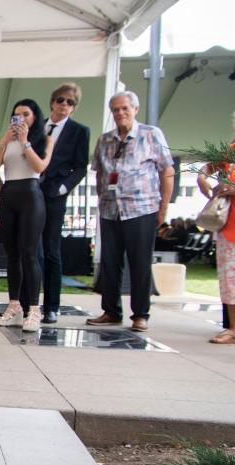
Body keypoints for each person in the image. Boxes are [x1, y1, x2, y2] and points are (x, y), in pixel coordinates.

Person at [88, 90, 174, 333]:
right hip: (110, 209)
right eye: (115, 109)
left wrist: (163, 207)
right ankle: (111, 311)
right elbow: (100, 173)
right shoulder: (104, 140)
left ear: (135, 109)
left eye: (125, 108)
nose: (120, 113)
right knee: (110, 262)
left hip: (141, 208)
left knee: (139, 262)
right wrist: (102, 196)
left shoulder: (150, 134)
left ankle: (140, 314)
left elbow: (167, 171)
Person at [0, 99, 55, 332]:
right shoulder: (8, 141)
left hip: (31, 194)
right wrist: (4, 142)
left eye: (25, 114)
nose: (21, 119)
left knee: (29, 252)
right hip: (8, 195)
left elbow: (39, 167)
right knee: (12, 254)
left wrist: (25, 142)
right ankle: (14, 304)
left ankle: (34, 309)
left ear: (35, 116)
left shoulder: (44, 139)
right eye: (16, 115)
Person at [33, 83, 90, 324]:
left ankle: (52, 306)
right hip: (32, 192)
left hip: (55, 194)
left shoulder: (79, 131)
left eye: (70, 102)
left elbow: (80, 167)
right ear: (52, 102)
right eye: (60, 100)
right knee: (31, 249)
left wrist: (62, 188)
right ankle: (29, 303)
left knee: (51, 250)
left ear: (74, 107)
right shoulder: (38, 127)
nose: (64, 105)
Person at [196, 119, 235, 344]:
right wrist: (202, 177)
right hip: (228, 224)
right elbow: (207, 167)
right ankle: (232, 329)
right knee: (229, 281)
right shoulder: (230, 151)